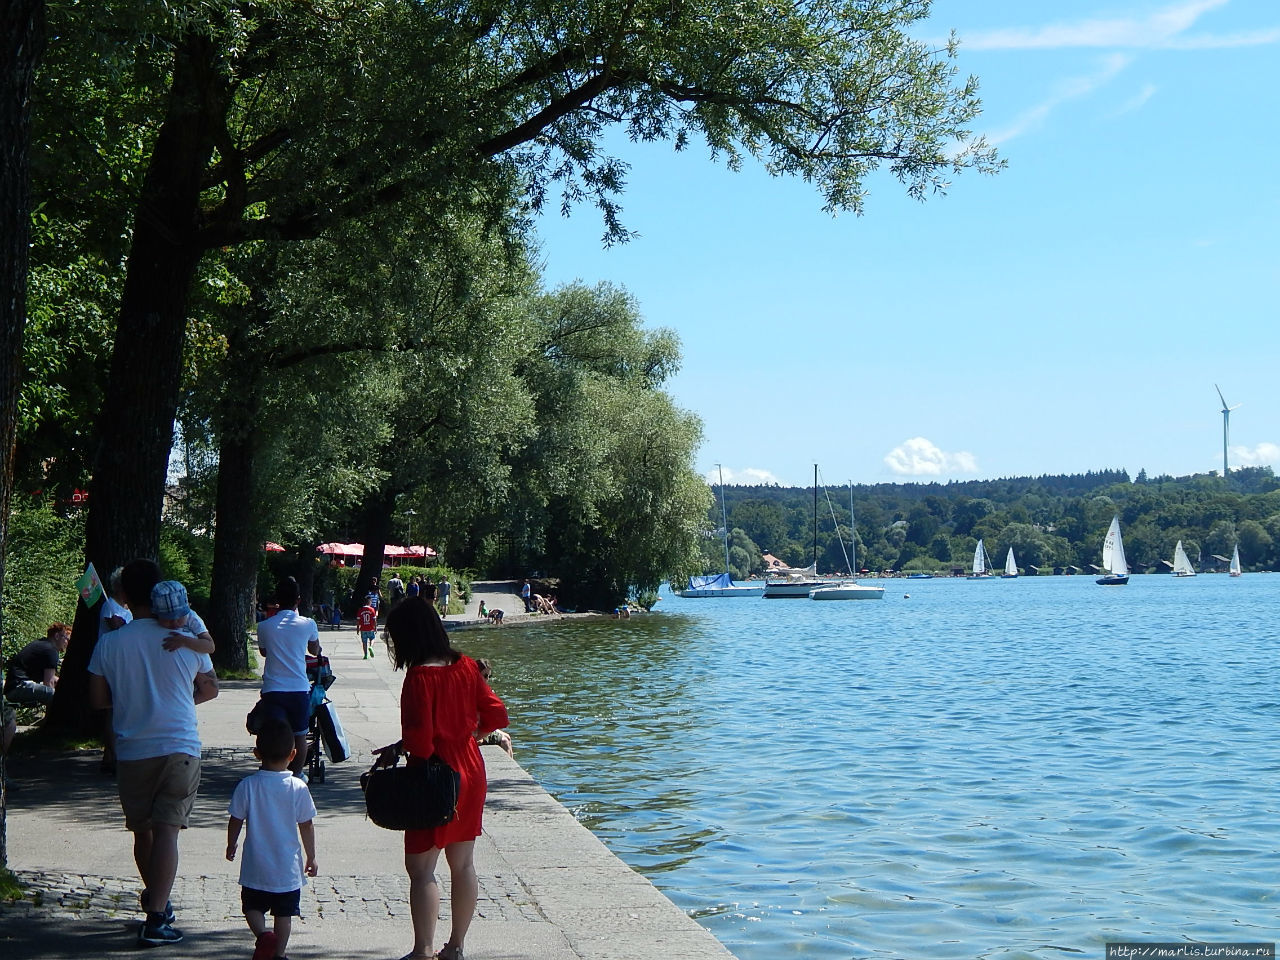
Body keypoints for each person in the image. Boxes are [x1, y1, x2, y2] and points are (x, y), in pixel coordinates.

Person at [88, 558, 219, 946]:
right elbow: (210, 689)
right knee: (168, 832)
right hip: (180, 744)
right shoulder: (185, 637)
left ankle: (156, 904)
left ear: (125, 595)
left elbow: (97, 702)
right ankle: (158, 915)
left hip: (132, 749)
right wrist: (178, 700)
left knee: (143, 833)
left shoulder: (110, 643)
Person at [375, 597, 508, 960]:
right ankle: (456, 947)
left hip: (436, 776)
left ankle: (423, 950)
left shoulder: (420, 677)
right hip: (471, 767)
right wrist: (469, 735)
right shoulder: (466, 665)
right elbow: (496, 714)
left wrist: (402, 748)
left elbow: (420, 741)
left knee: (420, 868)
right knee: (463, 863)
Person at [226, 717, 318, 960]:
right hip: (286, 868)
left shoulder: (247, 786)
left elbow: (236, 818)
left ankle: (263, 935)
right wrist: (312, 856)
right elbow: (306, 825)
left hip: (256, 865)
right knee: (284, 914)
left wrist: (231, 843)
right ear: (294, 753)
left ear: (257, 753)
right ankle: (278, 953)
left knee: (252, 907)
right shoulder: (297, 787)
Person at [256, 577, 322, 778]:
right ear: (298, 600)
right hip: (298, 687)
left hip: (273, 688)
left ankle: (270, 771)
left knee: (273, 733)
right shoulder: (307, 624)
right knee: (300, 734)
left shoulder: (265, 626)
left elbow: (264, 652)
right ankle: (297, 774)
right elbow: (314, 649)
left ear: (277, 600)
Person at [3, 622, 71, 704]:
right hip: (19, 686)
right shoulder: (51, 651)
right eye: (67, 639)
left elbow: (52, 678)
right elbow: (49, 683)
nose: (68, 643)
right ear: (56, 636)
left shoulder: (43, 644)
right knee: (59, 697)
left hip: (12, 687)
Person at [151, 581, 216, 655]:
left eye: (180, 617)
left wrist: (185, 641)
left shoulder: (192, 618)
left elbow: (210, 646)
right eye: (168, 619)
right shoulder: (151, 620)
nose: (175, 623)